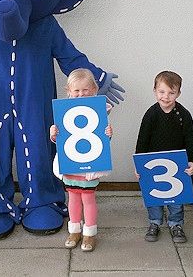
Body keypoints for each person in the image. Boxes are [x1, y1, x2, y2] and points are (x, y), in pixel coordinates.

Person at [50, 68, 113, 253]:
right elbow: (61, 138)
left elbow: (100, 137)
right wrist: (53, 134)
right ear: (69, 90)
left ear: (94, 89)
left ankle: (90, 233)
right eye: (76, 90)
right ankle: (74, 230)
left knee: (88, 197)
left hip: (89, 165)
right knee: (73, 197)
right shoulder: (64, 111)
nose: (80, 94)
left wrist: (108, 133)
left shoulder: (99, 109)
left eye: (85, 90)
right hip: (71, 163)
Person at [135, 71, 193, 244]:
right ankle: (154, 222)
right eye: (162, 92)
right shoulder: (151, 115)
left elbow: (191, 140)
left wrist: (192, 160)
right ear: (155, 91)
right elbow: (142, 140)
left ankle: (176, 224)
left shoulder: (183, 115)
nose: (166, 97)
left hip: (177, 165)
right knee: (154, 195)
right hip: (152, 164)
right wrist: (139, 164)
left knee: (176, 197)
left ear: (178, 93)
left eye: (171, 92)